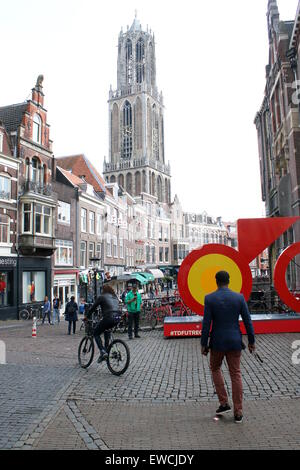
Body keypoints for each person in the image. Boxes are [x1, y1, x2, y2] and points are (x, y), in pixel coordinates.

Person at [200, 271, 255, 424]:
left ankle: (224, 403)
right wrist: (251, 341)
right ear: (229, 281)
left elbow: (206, 324)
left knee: (215, 368)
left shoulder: (210, 298)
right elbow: (248, 321)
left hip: (217, 342)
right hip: (234, 341)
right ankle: (238, 412)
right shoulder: (239, 298)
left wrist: (204, 344)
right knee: (235, 373)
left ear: (216, 281)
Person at [85, 284, 120, 362]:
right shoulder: (115, 297)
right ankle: (106, 351)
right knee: (107, 330)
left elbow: (93, 308)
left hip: (109, 317)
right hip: (117, 317)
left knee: (96, 333)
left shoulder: (102, 297)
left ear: (103, 290)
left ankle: (102, 351)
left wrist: (87, 317)